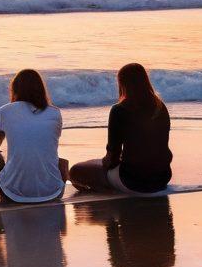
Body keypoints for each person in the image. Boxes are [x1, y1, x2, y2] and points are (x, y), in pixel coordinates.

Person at [69, 62, 172, 195]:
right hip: (162, 177)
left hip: (133, 181)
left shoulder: (119, 110)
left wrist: (104, 164)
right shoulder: (160, 106)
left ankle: (108, 192)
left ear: (123, 84)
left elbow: (113, 156)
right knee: (93, 164)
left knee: (76, 171)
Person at [0, 69, 68, 203]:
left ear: (14, 89)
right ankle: (46, 185)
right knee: (60, 161)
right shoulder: (55, 113)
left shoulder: (5, 111)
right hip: (53, 192)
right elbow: (45, 144)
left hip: (13, 194)